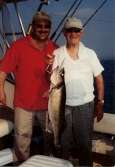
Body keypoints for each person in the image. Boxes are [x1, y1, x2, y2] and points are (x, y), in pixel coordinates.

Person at [0, 11, 58, 163]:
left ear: (50, 28)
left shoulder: (55, 48)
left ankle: (47, 163)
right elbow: (3, 70)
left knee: (50, 138)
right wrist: (0, 91)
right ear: (33, 27)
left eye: (47, 26)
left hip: (48, 105)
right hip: (23, 104)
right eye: (39, 26)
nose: (43, 29)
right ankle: (22, 163)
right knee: (21, 139)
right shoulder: (18, 46)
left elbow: (63, 77)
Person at [52, 17, 104, 166]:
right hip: (62, 107)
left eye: (76, 30)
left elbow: (99, 79)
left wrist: (100, 103)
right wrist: (48, 68)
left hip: (85, 106)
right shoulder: (57, 53)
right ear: (64, 33)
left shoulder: (90, 53)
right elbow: (50, 78)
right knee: (63, 144)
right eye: (69, 30)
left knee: (84, 145)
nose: (73, 33)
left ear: (82, 32)